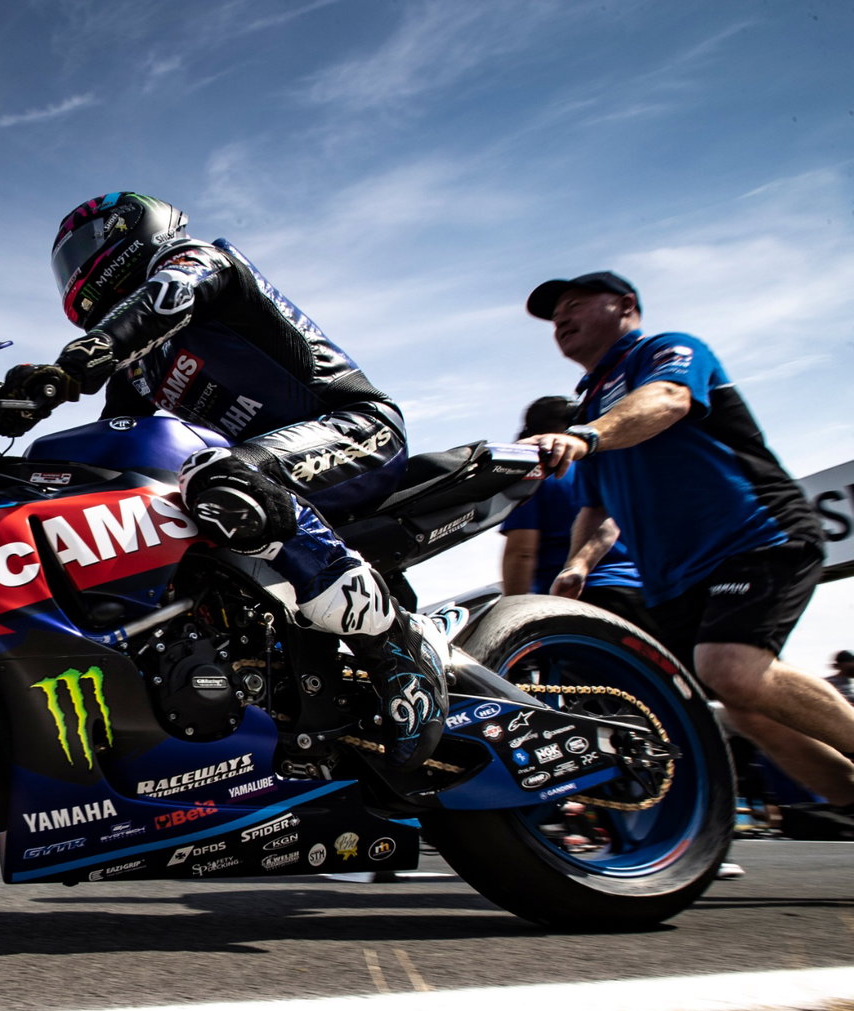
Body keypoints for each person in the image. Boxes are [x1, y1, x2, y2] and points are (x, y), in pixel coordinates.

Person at [46, 192, 449, 767]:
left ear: (130, 230)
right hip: (272, 485)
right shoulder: (140, 366)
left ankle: (399, 649)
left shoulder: (194, 261)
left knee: (220, 477)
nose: (77, 272)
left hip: (355, 430)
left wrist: (80, 359)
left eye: (85, 249)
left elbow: (169, 298)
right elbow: (114, 440)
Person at [523, 270, 854, 838]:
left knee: (730, 668)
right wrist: (575, 566)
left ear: (625, 305)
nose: (562, 322)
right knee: (745, 709)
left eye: (576, 305)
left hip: (755, 536)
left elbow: (670, 400)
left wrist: (588, 437)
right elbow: (597, 511)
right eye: (555, 317)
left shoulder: (663, 352)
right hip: (674, 580)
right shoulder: (590, 407)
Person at [499, 396, 654, 630]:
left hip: (576, 600)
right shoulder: (603, 467)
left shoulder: (535, 476)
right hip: (639, 590)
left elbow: (522, 552)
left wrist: (512, 622)